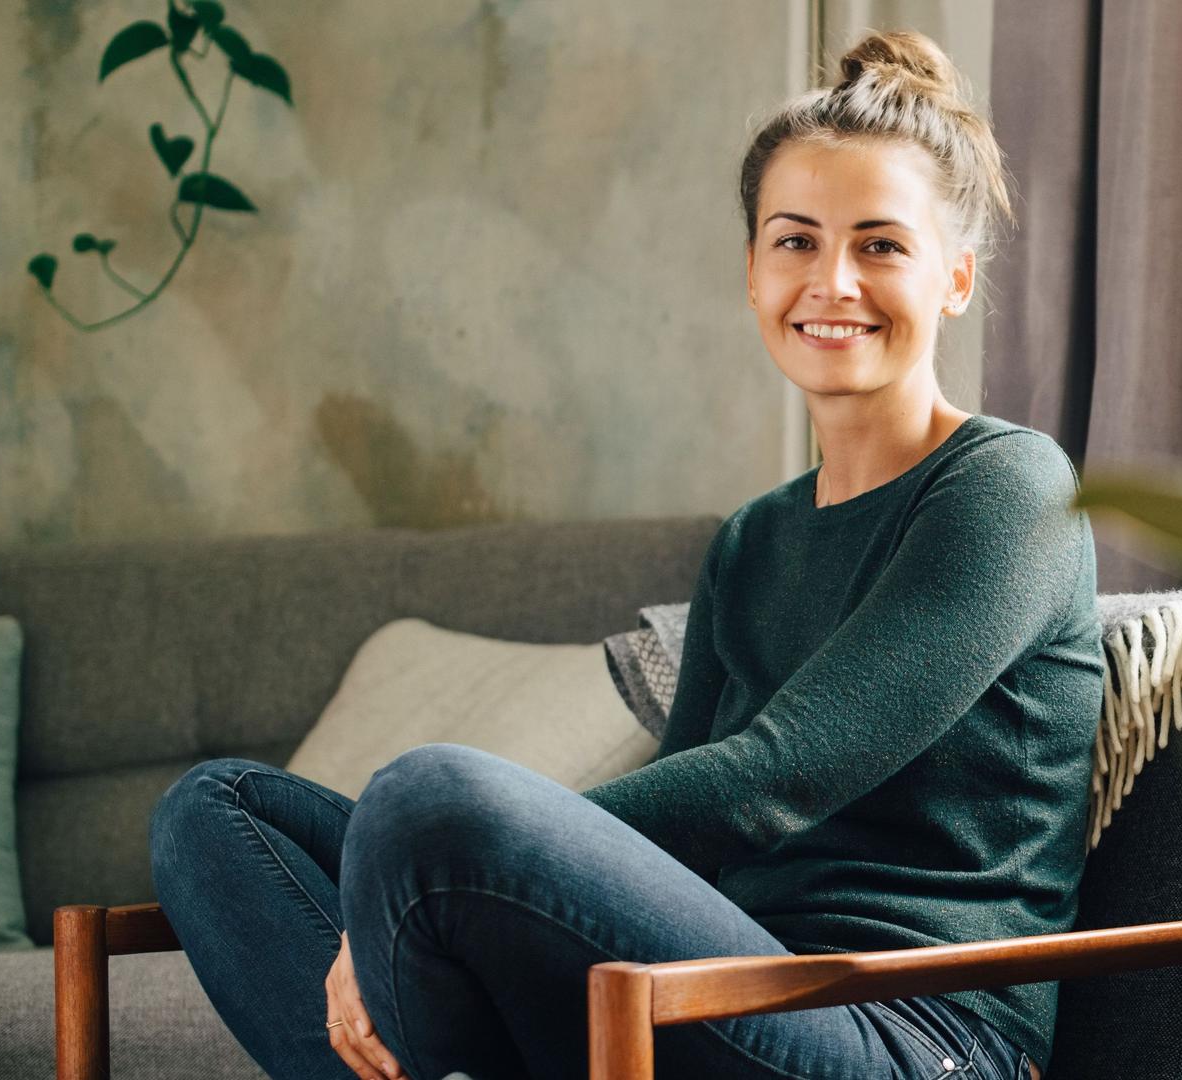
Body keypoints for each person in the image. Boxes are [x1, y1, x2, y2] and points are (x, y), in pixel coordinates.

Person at [149, 29, 1100, 1080]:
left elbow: (774, 780)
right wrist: (400, 899)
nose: (833, 280)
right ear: (751, 273)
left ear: (956, 278)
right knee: (217, 809)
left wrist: (418, 872)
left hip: (913, 1032)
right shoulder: (754, 541)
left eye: (881, 245)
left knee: (426, 802)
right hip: (709, 996)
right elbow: (669, 838)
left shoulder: (1010, 489)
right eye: (795, 241)